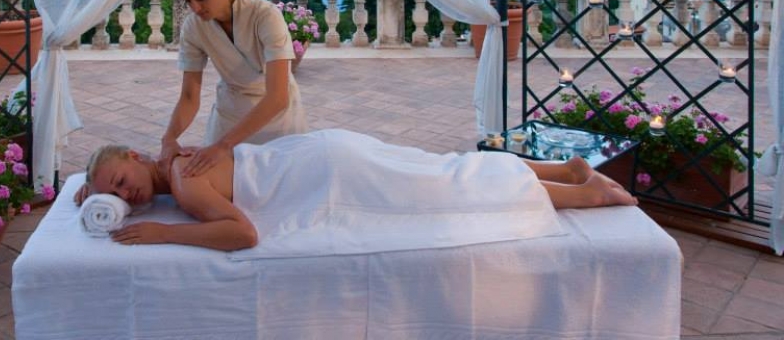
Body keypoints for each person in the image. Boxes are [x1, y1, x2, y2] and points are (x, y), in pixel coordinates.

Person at [75, 129, 637, 253]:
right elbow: (121, 183)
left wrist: (163, 235)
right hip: (319, 151)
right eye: (117, 196)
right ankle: (560, 170)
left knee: (446, 192)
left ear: (136, 157)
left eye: (122, 183)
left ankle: (582, 196)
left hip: (331, 176)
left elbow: (241, 234)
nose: (129, 196)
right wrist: (99, 195)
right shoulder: (172, 161)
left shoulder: (184, 182)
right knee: (439, 169)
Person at [161, 0, 307, 178]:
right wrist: (169, 138)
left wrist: (223, 146)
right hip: (230, 116)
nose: (195, 8)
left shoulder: (264, 15)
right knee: (220, 183)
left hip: (277, 118)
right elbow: (189, 96)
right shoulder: (193, 27)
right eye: (188, 1)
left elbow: (278, 97)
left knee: (279, 184)